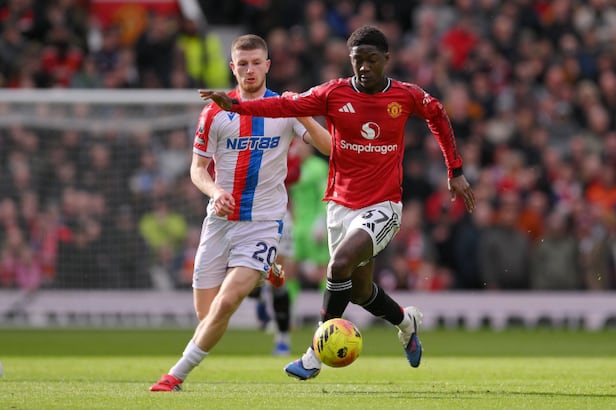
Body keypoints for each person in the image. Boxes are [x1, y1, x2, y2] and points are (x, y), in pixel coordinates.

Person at [199, 25, 476, 380]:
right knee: (360, 291)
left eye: (372, 60)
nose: (364, 67)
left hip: (383, 206)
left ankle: (314, 355)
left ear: (386, 59)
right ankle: (406, 322)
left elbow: (437, 114)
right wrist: (237, 104)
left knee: (339, 264)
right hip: (340, 205)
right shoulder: (333, 93)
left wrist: (455, 169)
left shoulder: (405, 96)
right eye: (358, 60)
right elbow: (285, 104)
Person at [150, 34, 331, 392]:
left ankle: (174, 376)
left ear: (267, 66)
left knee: (227, 303)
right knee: (207, 315)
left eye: (256, 63)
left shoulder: (283, 108)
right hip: (220, 222)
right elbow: (197, 169)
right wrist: (215, 192)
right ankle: (264, 273)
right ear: (233, 68)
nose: (250, 70)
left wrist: (302, 112)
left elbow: (329, 148)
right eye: (243, 64)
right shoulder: (214, 111)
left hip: (263, 224)